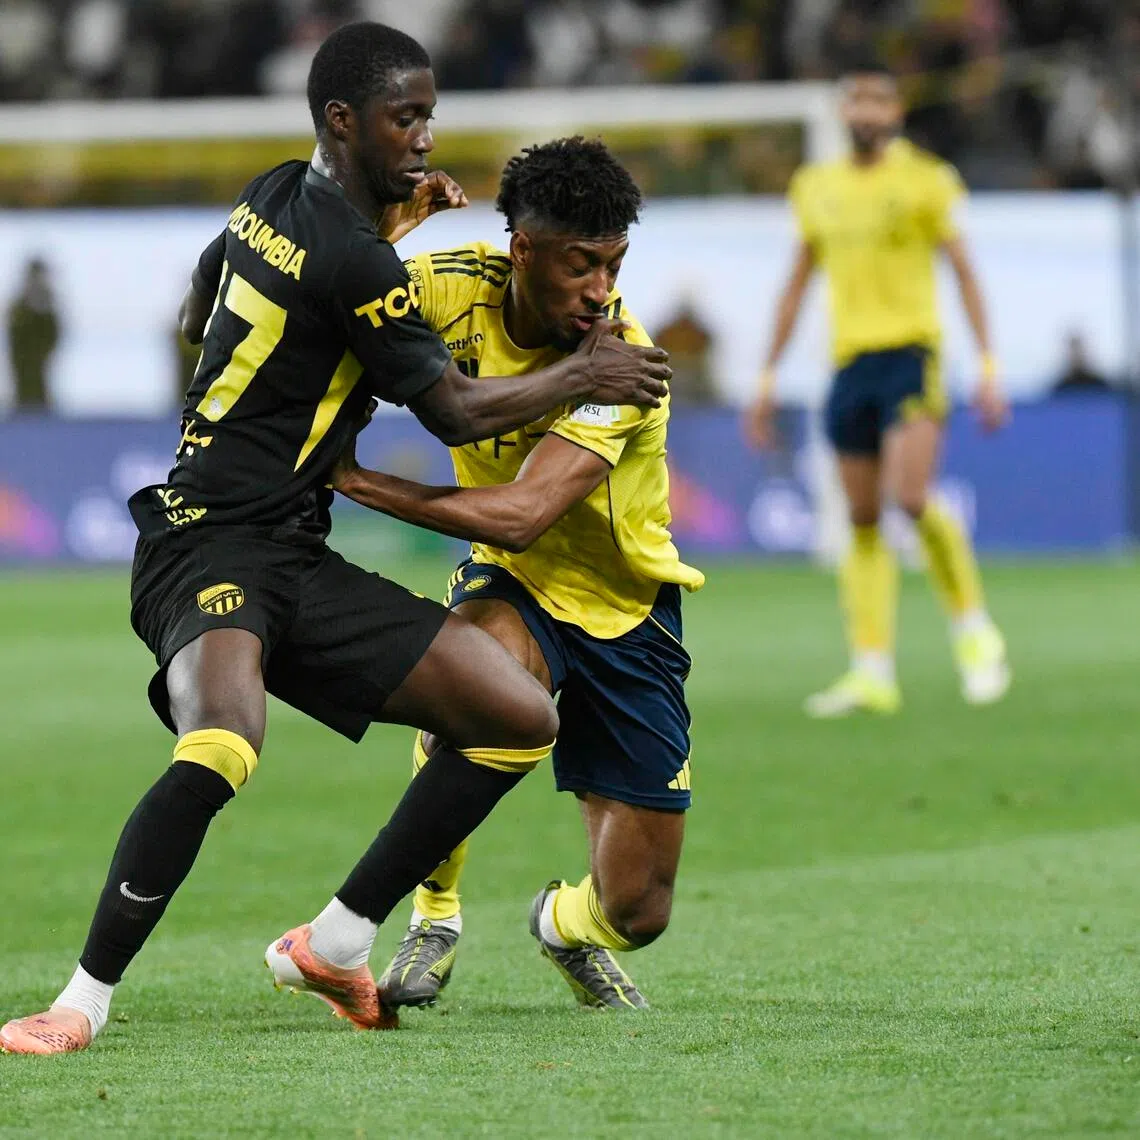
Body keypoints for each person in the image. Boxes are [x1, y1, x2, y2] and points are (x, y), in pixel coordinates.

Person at [0, 22, 670, 1056]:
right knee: (224, 742)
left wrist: (382, 236)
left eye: (429, 116)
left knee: (515, 716)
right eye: (405, 118)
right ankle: (79, 1002)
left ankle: (340, 941)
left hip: (293, 548)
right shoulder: (361, 262)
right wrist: (584, 373)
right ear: (342, 120)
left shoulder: (272, 195)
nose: (423, 136)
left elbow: (198, 298)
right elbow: (451, 413)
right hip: (207, 542)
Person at [331, 137, 704, 1010]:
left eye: (615, 264)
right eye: (584, 265)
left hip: (629, 611)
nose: (602, 289)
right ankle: (436, 913)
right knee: (471, 679)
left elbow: (522, 510)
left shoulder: (624, 362)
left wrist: (357, 482)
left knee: (639, 909)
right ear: (524, 250)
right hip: (516, 583)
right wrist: (385, 222)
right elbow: (336, 301)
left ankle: (559, 925)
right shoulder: (446, 283)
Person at [745, 59, 1011, 718]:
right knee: (861, 518)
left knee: (911, 495)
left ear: (894, 114)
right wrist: (767, 378)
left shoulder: (927, 180)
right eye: (856, 100)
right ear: (844, 113)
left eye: (877, 102)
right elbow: (797, 282)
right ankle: (872, 670)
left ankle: (974, 630)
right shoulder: (815, 186)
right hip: (849, 364)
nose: (866, 112)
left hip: (912, 354)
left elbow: (966, 274)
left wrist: (987, 367)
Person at [6, 256, 59, 412]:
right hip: (22, 383)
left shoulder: (48, 307)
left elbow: (53, 336)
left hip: (41, 383)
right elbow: (14, 336)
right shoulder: (19, 306)